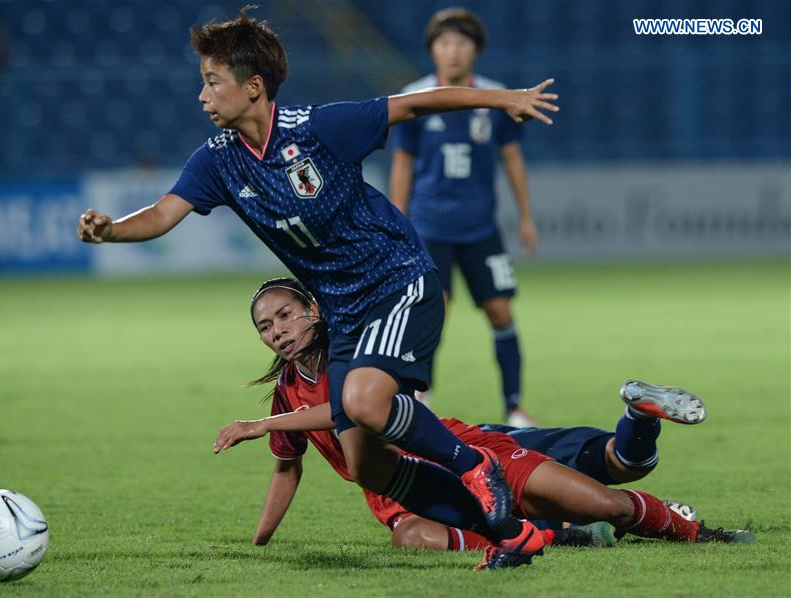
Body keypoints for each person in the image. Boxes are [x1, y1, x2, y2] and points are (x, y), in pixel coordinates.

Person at [78, 9, 561, 569]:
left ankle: (478, 466)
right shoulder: (217, 160)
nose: (202, 95)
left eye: (212, 81)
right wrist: (111, 230)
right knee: (365, 463)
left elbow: (414, 105)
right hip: (343, 312)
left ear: (253, 87)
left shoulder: (319, 128)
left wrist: (505, 100)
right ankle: (512, 532)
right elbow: (163, 214)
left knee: (362, 400)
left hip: (397, 280)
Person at [212, 278, 753, 557]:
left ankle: (704, 533)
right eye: (265, 326)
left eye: (285, 315)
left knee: (612, 488)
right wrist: (259, 545)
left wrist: (260, 425)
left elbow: (346, 413)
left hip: (466, 449)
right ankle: (556, 533)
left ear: (314, 311)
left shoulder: (356, 353)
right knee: (413, 541)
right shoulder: (287, 390)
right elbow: (286, 469)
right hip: (401, 491)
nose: (277, 330)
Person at [388, 8, 537, 426]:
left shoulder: (496, 97)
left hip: (481, 228)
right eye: (444, 43)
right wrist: (400, 223)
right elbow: (403, 163)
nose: (453, 52)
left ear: (476, 50)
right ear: (433, 50)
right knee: (434, 311)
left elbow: (512, 158)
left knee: (501, 312)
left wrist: (526, 216)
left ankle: (514, 405)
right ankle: (421, 399)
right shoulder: (412, 97)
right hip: (429, 227)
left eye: (461, 43)